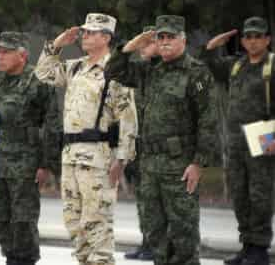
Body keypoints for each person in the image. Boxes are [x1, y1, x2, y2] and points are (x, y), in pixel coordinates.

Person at [104, 15, 216, 265]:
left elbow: (208, 121)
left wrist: (198, 163)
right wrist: (131, 46)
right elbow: (112, 71)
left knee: (183, 236)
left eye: (170, 37)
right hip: (150, 166)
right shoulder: (148, 71)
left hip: (179, 167)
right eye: (161, 37)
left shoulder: (196, 72)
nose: (164, 42)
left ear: (183, 40)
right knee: (156, 235)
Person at [35, 13, 138, 265]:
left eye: (91, 32)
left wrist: (122, 160)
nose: (84, 36)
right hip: (70, 155)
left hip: (98, 158)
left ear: (106, 37)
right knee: (75, 226)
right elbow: (43, 73)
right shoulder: (76, 67)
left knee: (97, 227)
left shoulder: (115, 70)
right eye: (84, 32)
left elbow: (127, 118)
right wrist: (56, 45)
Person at [0, 31, 61, 265]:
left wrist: (46, 164)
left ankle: (25, 260)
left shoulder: (38, 81)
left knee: (23, 221)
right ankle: (12, 258)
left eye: (5, 52)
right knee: (0, 219)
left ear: (22, 55)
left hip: (26, 164)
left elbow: (53, 124)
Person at [202, 16, 274, 265]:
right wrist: (213, 45)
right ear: (243, 40)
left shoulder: (271, 66)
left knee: (260, 194)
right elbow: (210, 65)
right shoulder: (237, 66)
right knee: (239, 192)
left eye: (258, 36)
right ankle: (247, 245)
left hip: (263, 136)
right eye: (248, 37)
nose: (253, 41)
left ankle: (260, 249)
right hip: (236, 140)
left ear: (267, 39)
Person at [123, 25, 157, 262]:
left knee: (156, 200)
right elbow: (116, 67)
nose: (144, 47)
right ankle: (147, 241)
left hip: (162, 148)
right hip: (140, 145)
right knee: (143, 200)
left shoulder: (165, 70)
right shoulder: (141, 71)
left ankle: (157, 244)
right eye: (142, 43)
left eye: (149, 42)